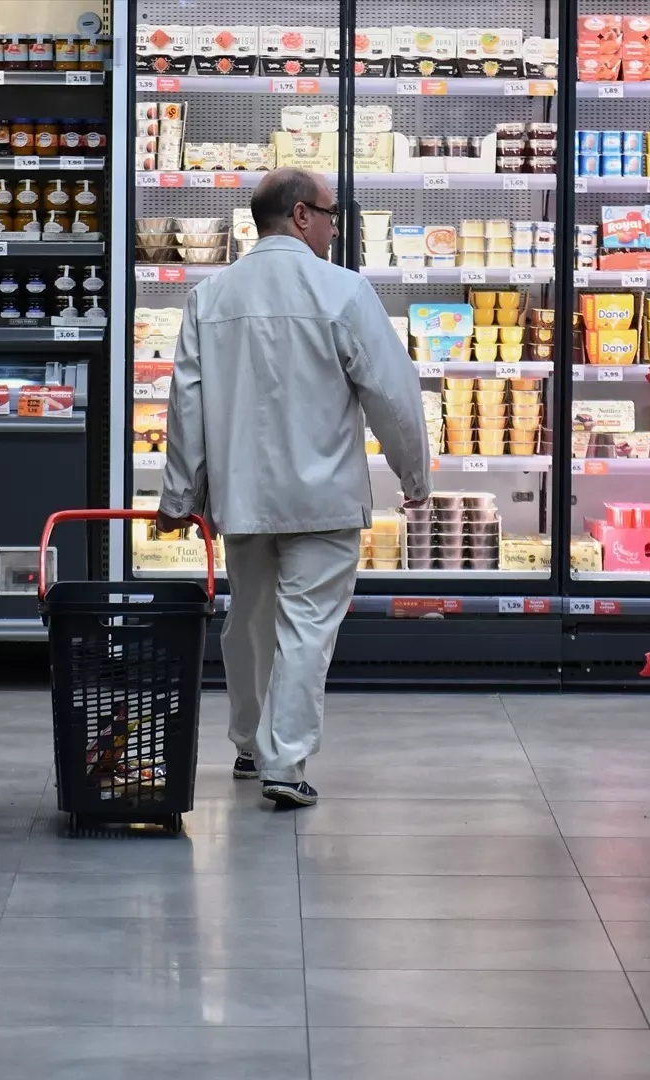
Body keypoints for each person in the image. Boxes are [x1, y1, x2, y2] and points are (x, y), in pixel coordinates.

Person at [155, 168, 431, 808]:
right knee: (306, 629)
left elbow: (186, 407)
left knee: (249, 620)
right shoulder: (343, 291)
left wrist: (179, 499)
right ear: (302, 216)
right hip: (323, 497)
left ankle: (250, 744)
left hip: (243, 496)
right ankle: (285, 764)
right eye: (333, 213)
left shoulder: (211, 296)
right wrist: (413, 474)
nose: (338, 225)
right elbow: (392, 393)